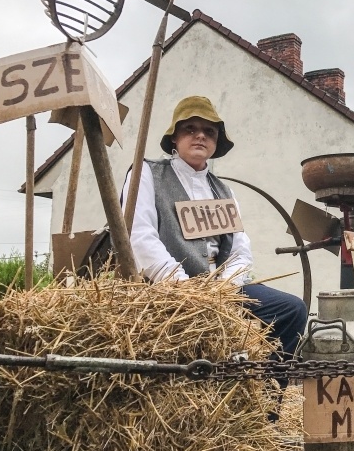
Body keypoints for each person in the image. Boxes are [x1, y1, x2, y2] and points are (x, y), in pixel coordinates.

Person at [120, 96, 308, 391]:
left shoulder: (223, 190)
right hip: (169, 286)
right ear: (174, 138)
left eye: (209, 131)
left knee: (292, 309)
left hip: (221, 288)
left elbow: (239, 249)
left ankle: (266, 406)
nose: (200, 136)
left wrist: (225, 286)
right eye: (190, 128)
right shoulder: (146, 174)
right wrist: (181, 285)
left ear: (216, 142)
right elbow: (139, 236)